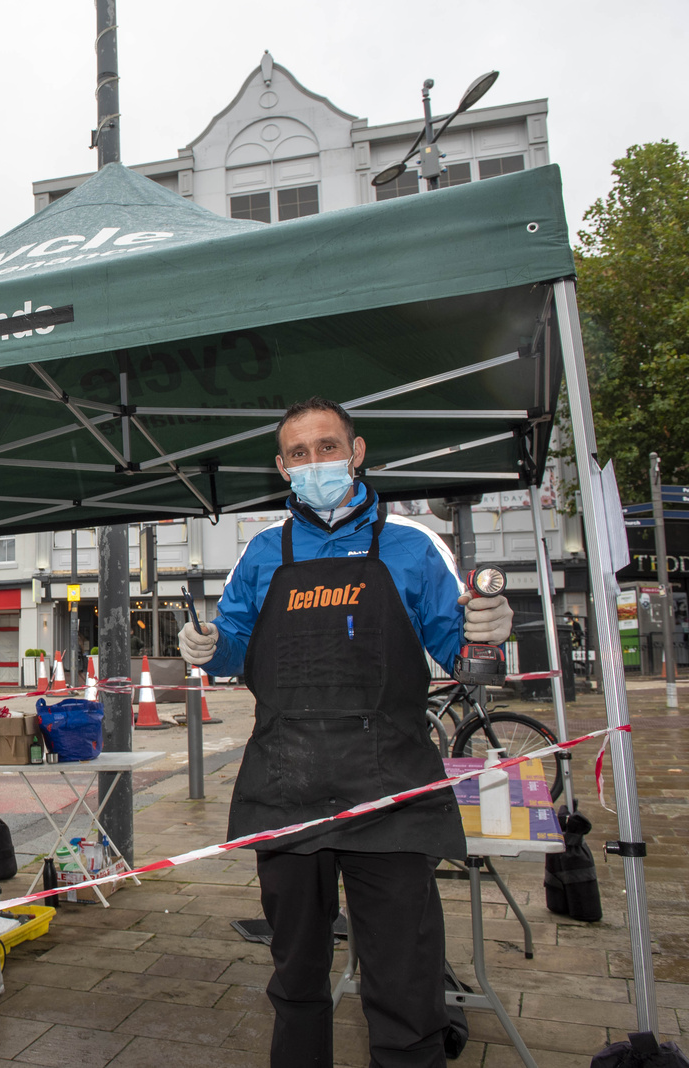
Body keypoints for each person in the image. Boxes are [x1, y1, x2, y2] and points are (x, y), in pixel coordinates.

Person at [177, 397, 513, 1068]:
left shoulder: (413, 546)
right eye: (298, 454)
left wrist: (488, 635)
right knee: (296, 978)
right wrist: (206, 644)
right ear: (282, 468)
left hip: (389, 787)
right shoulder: (264, 551)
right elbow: (236, 644)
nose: (315, 463)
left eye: (327, 447)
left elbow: (465, 655)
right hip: (286, 783)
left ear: (355, 453)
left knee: (405, 982)